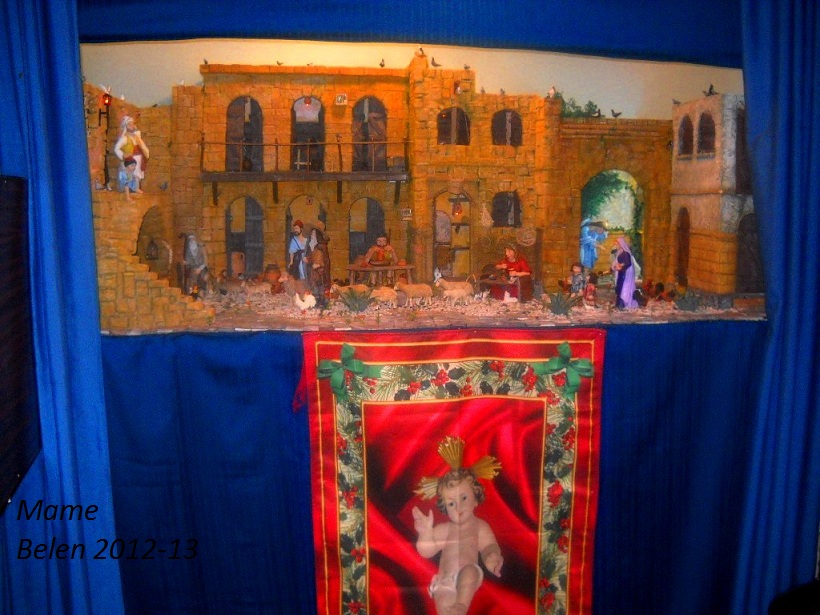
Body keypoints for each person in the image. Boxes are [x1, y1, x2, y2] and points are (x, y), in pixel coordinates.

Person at [412, 436, 503, 615]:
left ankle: (461, 605)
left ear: (476, 499)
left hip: (468, 574)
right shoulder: (445, 529)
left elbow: (489, 546)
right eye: (451, 503)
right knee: (443, 601)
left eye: (464, 498)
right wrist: (425, 533)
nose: (458, 507)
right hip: (445, 580)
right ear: (445, 507)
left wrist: (492, 557)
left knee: (469, 573)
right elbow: (426, 551)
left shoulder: (479, 526)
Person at [114, 116, 150, 193]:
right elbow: (116, 148)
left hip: (139, 158)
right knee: (130, 174)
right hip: (130, 159)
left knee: (138, 174)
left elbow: (142, 146)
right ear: (126, 126)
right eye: (129, 124)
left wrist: (145, 153)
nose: (132, 125)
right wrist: (123, 155)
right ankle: (128, 190)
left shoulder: (136, 137)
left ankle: (136, 188)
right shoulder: (125, 138)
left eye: (132, 124)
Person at [612, 237, 639, 309]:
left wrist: (621, 266)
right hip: (621, 273)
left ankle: (622, 304)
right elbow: (617, 263)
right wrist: (616, 266)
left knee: (623, 288)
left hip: (625, 274)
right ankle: (618, 304)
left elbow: (628, 263)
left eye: (617, 244)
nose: (616, 245)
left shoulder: (626, 253)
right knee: (619, 287)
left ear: (620, 244)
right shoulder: (619, 253)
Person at [307, 225, 331, 299]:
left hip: (321, 272)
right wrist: (308, 260)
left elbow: (326, 260)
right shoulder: (311, 246)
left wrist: (319, 265)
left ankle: (322, 300)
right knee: (314, 289)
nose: (312, 236)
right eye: (311, 234)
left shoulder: (322, 247)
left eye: (313, 234)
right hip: (313, 272)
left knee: (321, 289)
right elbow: (311, 257)